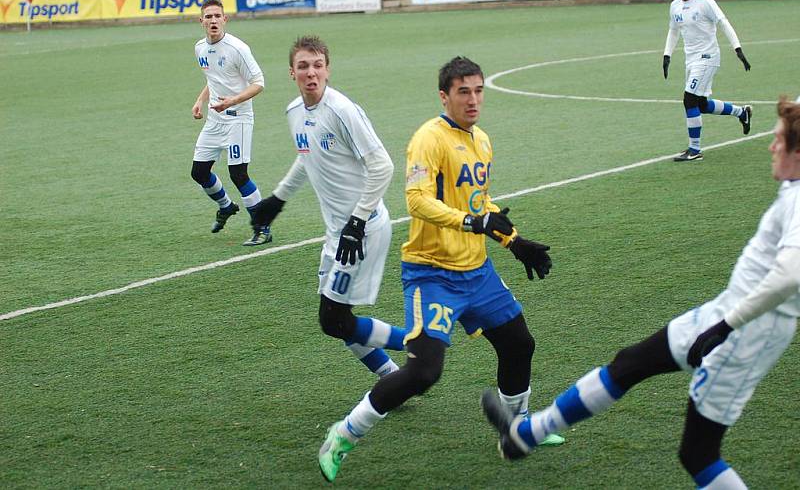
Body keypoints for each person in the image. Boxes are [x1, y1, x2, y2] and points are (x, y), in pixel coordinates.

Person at [482, 97, 800, 489]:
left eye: (780, 139)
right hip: (729, 315)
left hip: (744, 329)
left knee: (698, 455)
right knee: (631, 363)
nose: (771, 146)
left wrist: (727, 326)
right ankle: (523, 436)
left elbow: (789, 275)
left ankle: (523, 435)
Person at [317, 56, 564, 483]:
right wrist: (475, 223)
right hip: (432, 274)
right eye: (463, 91)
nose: (473, 100)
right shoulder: (427, 139)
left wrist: (514, 240)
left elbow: (479, 203)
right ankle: (343, 433)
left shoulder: (482, 140)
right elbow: (416, 200)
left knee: (519, 344)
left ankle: (517, 428)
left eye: (478, 90)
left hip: (477, 271)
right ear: (444, 96)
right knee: (424, 372)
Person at [250, 36, 405, 379]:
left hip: (363, 229)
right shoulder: (294, 112)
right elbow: (307, 158)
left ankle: (421, 343)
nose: (311, 73)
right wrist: (278, 199)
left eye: (317, 65)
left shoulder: (342, 110)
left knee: (333, 319)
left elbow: (383, 166)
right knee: (338, 321)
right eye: (303, 66)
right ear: (292, 72)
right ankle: (393, 378)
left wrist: (357, 221)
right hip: (338, 232)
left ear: (328, 70)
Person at [190, 0, 272, 247]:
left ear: (225, 19)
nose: (213, 20)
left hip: (238, 120)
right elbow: (214, 78)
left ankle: (262, 227)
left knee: (238, 174)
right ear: (201, 21)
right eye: (208, 17)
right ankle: (226, 206)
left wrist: (232, 101)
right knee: (199, 172)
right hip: (215, 120)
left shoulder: (237, 48)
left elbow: (259, 82)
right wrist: (200, 101)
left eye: (217, 16)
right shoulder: (199, 48)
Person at [663, 0, 753, 162]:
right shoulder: (675, 6)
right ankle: (741, 112)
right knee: (701, 104)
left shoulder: (705, 2)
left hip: (707, 58)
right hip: (691, 60)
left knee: (689, 100)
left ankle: (694, 150)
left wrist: (737, 48)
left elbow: (724, 23)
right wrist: (666, 55)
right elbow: (673, 31)